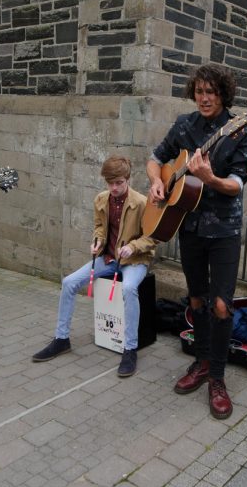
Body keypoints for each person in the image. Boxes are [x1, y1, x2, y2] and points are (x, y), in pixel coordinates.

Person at [147, 63, 247, 420]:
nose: (204, 98)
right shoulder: (184, 125)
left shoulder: (240, 131)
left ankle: (218, 379)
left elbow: (236, 185)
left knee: (221, 305)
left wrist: (209, 177)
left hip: (224, 231)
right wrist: (157, 182)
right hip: (188, 227)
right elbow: (155, 159)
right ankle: (202, 362)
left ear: (224, 94)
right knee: (195, 299)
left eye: (211, 92)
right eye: (199, 91)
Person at [31, 155, 156, 376]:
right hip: (108, 259)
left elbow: (153, 237)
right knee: (69, 282)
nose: (114, 187)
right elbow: (99, 227)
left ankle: (130, 349)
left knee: (128, 288)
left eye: (119, 182)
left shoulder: (142, 203)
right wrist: (97, 241)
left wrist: (134, 246)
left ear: (128, 179)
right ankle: (61, 339)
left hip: (134, 261)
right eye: (110, 183)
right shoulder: (101, 199)